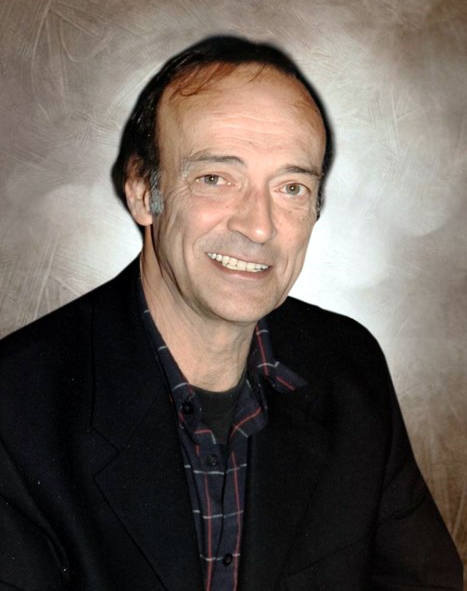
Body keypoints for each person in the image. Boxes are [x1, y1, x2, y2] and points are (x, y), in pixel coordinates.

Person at [0, 36, 462, 591]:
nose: (259, 226)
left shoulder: (349, 369)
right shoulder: (16, 408)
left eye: (291, 187)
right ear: (144, 191)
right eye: (216, 179)